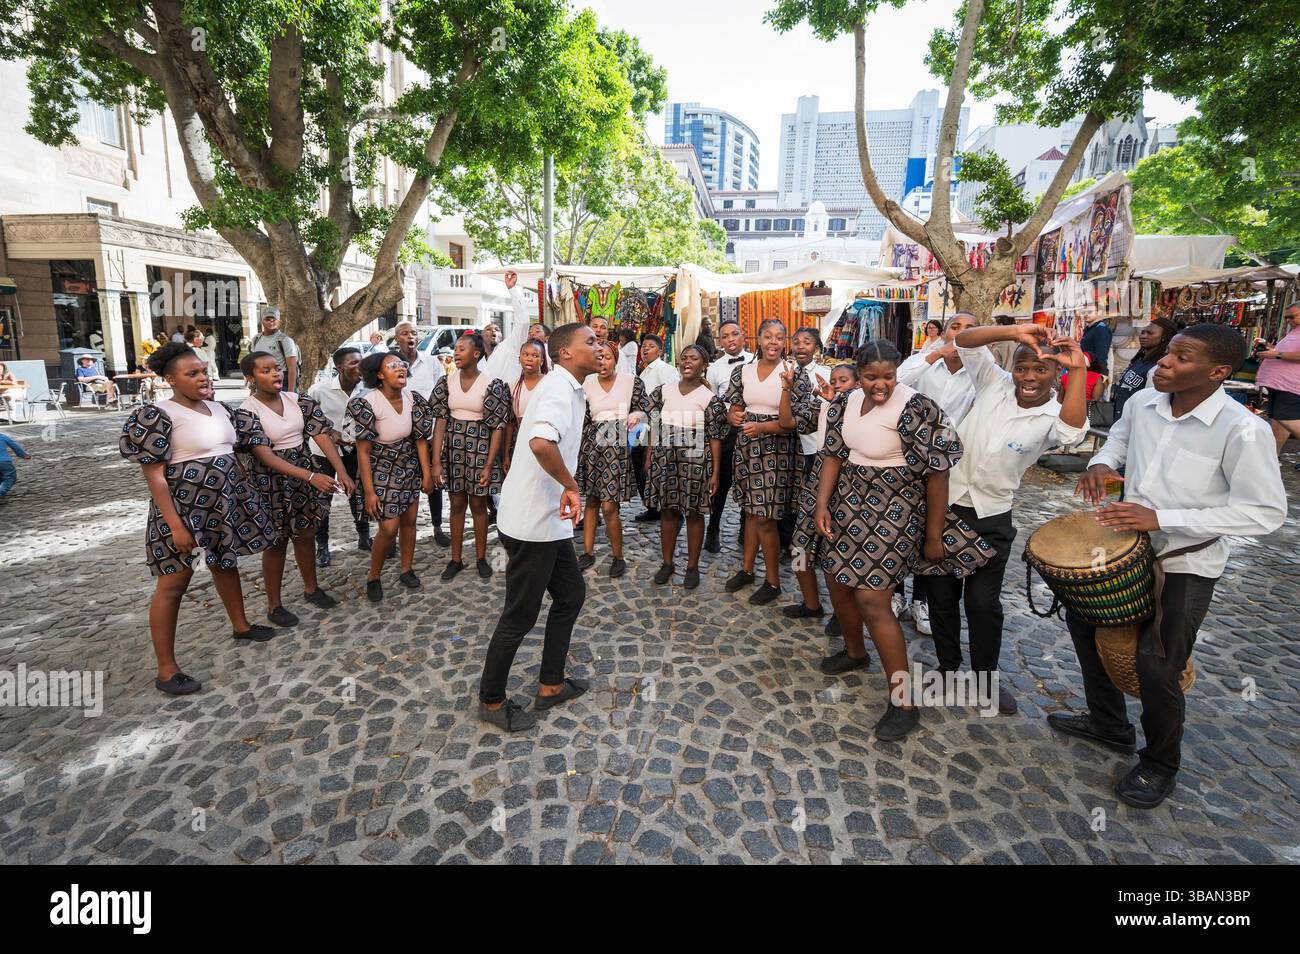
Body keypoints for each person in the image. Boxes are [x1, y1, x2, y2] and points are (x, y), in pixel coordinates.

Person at [1066, 323, 1287, 808]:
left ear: (1219, 372)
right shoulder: (1146, 400)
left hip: (1186, 561)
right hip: (1125, 546)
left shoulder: (1242, 430)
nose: (1164, 362)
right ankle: (1108, 724)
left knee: (1157, 663)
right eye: (1168, 353)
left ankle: (1160, 762)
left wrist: (1161, 517)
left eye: (1181, 357)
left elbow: (1265, 512)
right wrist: (1101, 463)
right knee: (1084, 625)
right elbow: (1119, 437)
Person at [811, 341, 992, 739]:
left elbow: (938, 473)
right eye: (871, 377)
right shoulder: (845, 402)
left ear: (898, 372)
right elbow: (833, 455)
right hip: (848, 502)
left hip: (896, 508)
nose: (880, 385)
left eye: (888, 376)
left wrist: (932, 534)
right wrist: (822, 505)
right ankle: (856, 653)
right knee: (837, 582)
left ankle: (903, 702)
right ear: (858, 374)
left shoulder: (917, 406)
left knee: (872, 599)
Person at [927, 322, 1089, 715]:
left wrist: (1079, 370)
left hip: (992, 516)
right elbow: (963, 341)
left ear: (1056, 373)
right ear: (1011, 369)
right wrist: (1015, 333)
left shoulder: (1054, 415)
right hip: (943, 507)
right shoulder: (993, 383)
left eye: (1041, 370)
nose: (1029, 377)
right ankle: (948, 668)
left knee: (983, 605)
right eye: (1022, 368)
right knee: (940, 597)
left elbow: (1072, 432)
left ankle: (985, 679)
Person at [119, 342, 281, 695]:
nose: (202, 378)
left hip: (220, 506)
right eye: (191, 374)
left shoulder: (220, 409)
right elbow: (155, 476)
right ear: (169, 380)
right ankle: (166, 669)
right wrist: (176, 525)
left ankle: (240, 625)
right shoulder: (157, 415)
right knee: (173, 583)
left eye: (204, 371)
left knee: (226, 563)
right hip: (182, 510)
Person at [478, 322, 602, 732]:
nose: (599, 346)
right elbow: (540, 442)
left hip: (546, 520)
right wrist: (571, 486)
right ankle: (492, 701)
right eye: (591, 341)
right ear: (565, 352)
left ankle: (550, 684)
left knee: (570, 594)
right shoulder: (556, 390)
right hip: (533, 522)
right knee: (520, 615)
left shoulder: (567, 387)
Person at [240, 351, 354, 623]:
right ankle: (274, 605)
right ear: (250, 378)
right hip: (270, 481)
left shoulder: (299, 401)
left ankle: (311, 588)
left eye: (276, 368)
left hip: (303, 474)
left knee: (305, 533)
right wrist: (311, 476)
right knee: (277, 543)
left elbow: (321, 436)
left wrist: (342, 471)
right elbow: (265, 456)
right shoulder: (247, 411)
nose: (275, 374)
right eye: (265, 371)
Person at [894, 311, 978, 634]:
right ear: (944, 333)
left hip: (949, 465)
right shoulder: (924, 361)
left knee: (936, 527)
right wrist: (933, 355)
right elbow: (897, 379)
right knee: (904, 524)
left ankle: (923, 600)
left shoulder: (980, 372)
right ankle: (897, 592)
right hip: (910, 458)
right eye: (955, 327)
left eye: (970, 329)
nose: (961, 334)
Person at [723, 319, 817, 605]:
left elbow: (798, 422)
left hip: (779, 450)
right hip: (748, 447)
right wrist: (733, 416)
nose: (773, 342)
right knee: (751, 512)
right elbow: (735, 406)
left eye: (779, 337)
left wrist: (762, 427)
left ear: (784, 341)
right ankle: (748, 570)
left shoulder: (794, 373)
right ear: (759, 339)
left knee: (766, 517)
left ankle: (773, 582)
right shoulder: (743, 371)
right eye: (768, 336)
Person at [788, 365, 862, 654]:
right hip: (819, 473)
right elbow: (792, 421)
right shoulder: (825, 406)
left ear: (857, 383)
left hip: (849, 479)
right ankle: (811, 603)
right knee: (798, 546)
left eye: (844, 381)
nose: (838, 385)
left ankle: (841, 614)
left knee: (840, 554)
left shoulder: (861, 410)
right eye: (834, 381)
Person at [349, 351, 434, 602]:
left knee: (409, 521)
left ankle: (406, 569)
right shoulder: (367, 403)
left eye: (402, 365)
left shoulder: (414, 399)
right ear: (379, 375)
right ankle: (373, 576)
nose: (400, 369)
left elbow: (419, 441)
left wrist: (426, 474)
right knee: (388, 527)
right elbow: (362, 453)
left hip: (408, 464)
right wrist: (369, 491)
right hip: (380, 467)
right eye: (392, 366)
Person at [645, 344, 728, 589]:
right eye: (684, 358)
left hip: (695, 457)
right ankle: (667, 563)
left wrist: (714, 472)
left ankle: (692, 566)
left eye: (694, 358)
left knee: (694, 512)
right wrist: (650, 454)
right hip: (665, 455)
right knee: (668, 511)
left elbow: (715, 436)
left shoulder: (709, 399)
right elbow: (653, 423)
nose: (687, 362)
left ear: (704, 365)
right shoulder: (664, 391)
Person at [430, 332, 510, 581]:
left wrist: (489, 465)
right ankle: (455, 559)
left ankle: (481, 557)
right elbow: (440, 423)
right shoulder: (446, 383)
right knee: (455, 505)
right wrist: (436, 462)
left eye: (462, 349)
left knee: (478, 505)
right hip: (454, 451)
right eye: (455, 348)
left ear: (476, 354)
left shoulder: (490, 384)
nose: (456, 352)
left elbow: (498, 426)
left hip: (480, 449)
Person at [576, 339, 650, 578]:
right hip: (591, 445)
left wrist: (637, 415)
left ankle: (618, 556)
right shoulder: (585, 383)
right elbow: (582, 418)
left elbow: (644, 409)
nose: (602, 361)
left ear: (615, 359)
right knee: (592, 502)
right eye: (598, 357)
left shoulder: (631, 382)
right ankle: (587, 552)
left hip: (616, 447)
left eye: (607, 357)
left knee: (609, 506)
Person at [308, 347, 371, 565]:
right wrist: (328, 431)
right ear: (339, 368)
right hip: (323, 453)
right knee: (322, 498)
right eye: (354, 363)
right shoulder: (319, 390)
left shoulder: (367, 389)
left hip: (355, 450)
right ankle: (322, 546)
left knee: (358, 493)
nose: (359, 367)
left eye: (361, 362)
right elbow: (306, 419)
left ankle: (364, 536)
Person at [391, 320, 450, 547]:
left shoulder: (431, 362)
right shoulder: (392, 364)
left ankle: (437, 527)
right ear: (397, 338)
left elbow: (441, 393)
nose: (410, 336)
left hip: (430, 433)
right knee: (401, 484)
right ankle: (393, 535)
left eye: (413, 333)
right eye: (405, 333)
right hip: (402, 435)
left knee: (434, 481)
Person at [780, 327, 831, 553]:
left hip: (811, 444)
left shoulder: (825, 374)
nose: (801, 346)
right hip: (785, 442)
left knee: (810, 494)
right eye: (797, 342)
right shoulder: (782, 371)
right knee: (787, 493)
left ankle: (810, 543)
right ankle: (786, 542)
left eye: (807, 342)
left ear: (816, 347)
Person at [704, 319, 753, 553]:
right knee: (721, 481)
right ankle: (712, 530)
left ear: (743, 336)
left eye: (734, 334)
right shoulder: (714, 368)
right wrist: (727, 416)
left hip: (754, 430)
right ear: (720, 341)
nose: (730, 339)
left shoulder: (756, 360)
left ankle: (745, 529)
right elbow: (712, 403)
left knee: (748, 480)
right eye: (725, 336)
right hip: (728, 431)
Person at [632, 334, 680, 522]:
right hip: (643, 426)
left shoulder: (664, 369)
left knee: (650, 465)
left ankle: (658, 508)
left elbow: (671, 395)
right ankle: (652, 506)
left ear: (660, 351)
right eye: (643, 346)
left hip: (658, 425)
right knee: (640, 464)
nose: (645, 349)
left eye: (651, 346)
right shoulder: (644, 372)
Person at [1254, 303, 1300, 457]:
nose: (1287, 320)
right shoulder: (1294, 332)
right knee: (1279, 420)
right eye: (1286, 317)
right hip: (1280, 384)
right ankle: (1272, 458)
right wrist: (1268, 347)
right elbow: (1285, 352)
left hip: (1291, 385)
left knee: (1284, 417)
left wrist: (1276, 355)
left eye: (1292, 316)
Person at [1112, 317, 1178, 421]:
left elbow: (1151, 401)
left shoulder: (1159, 366)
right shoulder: (1140, 360)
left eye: (1150, 333)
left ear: (1164, 337)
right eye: (1143, 332)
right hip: (1122, 419)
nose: (1143, 336)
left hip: (1137, 422)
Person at [504, 338, 550, 474]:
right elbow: (510, 423)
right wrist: (506, 454)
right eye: (526, 354)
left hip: (543, 439)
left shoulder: (549, 383)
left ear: (542, 361)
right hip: (520, 441)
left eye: (535, 356)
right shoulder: (513, 386)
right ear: (519, 358)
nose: (529, 358)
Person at [249, 308, 300, 393]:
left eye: (274, 319)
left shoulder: (285, 340)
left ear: (279, 322)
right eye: (267, 319)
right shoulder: (256, 339)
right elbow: (254, 365)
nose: (271, 322)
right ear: (262, 321)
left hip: (281, 384)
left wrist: (291, 393)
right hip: (261, 384)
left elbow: (292, 369)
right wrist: (252, 389)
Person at [1079, 308, 1113, 378]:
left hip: (1094, 372)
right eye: (1083, 312)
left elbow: (1101, 356)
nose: (1086, 314)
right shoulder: (1089, 329)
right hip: (1086, 370)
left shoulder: (1101, 328)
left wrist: (1098, 377)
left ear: (1099, 312)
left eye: (1090, 311)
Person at [0, 431, 31, 503]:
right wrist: (24, 455)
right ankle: (1, 491)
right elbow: (15, 446)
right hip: (4, 461)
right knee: (10, 477)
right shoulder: (2, 437)